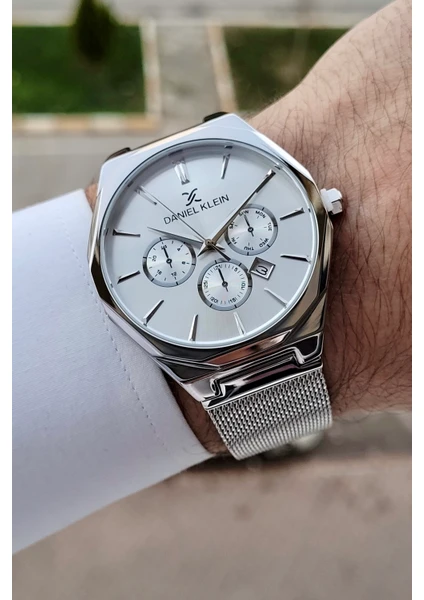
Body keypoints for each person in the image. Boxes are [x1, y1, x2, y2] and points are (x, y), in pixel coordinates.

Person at [13, 0, 411, 552]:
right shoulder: (116, 280)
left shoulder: (299, 203)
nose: (207, 247)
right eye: (199, 246)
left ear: (327, 205)